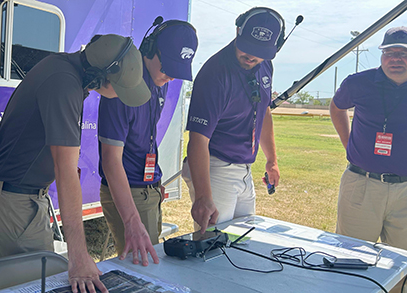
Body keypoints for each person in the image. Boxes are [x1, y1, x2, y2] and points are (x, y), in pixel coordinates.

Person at [0, 34, 150, 293]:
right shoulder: (64, 84)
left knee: (32, 281)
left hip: (18, 196)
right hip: (16, 201)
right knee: (42, 285)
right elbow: (66, 169)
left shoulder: (65, 69)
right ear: (98, 76)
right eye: (121, 89)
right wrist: (78, 255)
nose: (120, 97)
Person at [98, 20, 198, 265]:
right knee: (145, 269)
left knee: (153, 265)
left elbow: (147, 138)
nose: (171, 77)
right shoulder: (123, 87)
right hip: (129, 191)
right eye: (168, 68)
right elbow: (111, 161)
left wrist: (154, 179)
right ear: (149, 49)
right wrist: (132, 219)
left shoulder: (158, 81)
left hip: (148, 187)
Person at [182, 7, 283, 233]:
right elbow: (197, 140)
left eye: (261, 51)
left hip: (245, 170)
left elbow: (264, 110)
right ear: (237, 31)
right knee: (212, 247)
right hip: (216, 168)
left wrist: (271, 159)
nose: (251, 56)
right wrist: (204, 196)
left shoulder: (265, 65)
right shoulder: (214, 74)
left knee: (242, 242)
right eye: (247, 47)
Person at [330, 27, 407, 250]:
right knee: (351, 257)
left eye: (403, 54)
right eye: (389, 53)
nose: (395, 59)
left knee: (402, 265)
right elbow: (337, 108)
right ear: (381, 55)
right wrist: (349, 145)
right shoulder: (358, 83)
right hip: (362, 183)